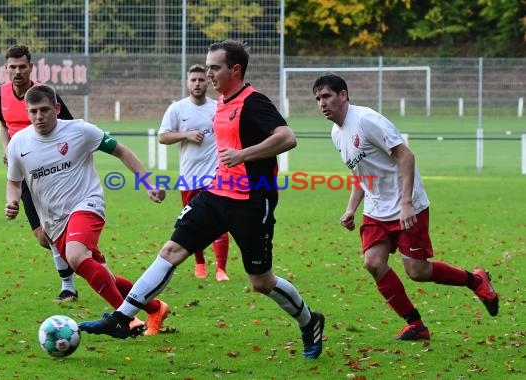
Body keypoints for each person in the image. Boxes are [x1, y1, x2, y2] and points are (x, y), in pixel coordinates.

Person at [79, 40, 325, 360]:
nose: (208, 73)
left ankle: (310, 322)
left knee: (261, 281)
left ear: (235, 70)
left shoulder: (253, 102)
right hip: (215, 194)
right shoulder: (222, 101)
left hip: (251, 201)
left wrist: (242, 155)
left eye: (214, 67)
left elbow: (287, 138)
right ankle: (121, 319)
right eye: (206, 67)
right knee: (171, 250)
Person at [312, 73, 499, 340]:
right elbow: (361, 173)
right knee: (373, 263)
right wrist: (351, 208)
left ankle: (476, 280)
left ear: (343, 95)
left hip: (406, 206)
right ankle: (415, 324)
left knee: (418, 271)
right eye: (318, 98)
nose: (322, 103)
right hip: (376, 210)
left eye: (327, 96)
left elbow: (406, 156)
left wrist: (407, 202)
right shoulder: (336, 133)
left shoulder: (366, 121)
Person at [4, 84, 170, 336]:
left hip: (87, 204)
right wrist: (12, 201)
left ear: (57, 108)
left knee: (75, 256)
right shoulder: (18, 143)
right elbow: (14, 182)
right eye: (33, 111)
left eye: (45, 110)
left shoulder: (79, 130)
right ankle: (156, 308)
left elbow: (121, 151)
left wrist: (148, 182)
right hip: (54, 222)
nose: (39, 117)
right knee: (101, 274)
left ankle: (125, 319)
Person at [0, 44, 79, 303]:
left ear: (31, 67)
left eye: (22, 67)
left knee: (56, 230)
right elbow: (3, 126)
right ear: (6, 69)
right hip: (23, 174)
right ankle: (84, 257)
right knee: (43, 236)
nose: (17, 71)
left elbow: (69, 125)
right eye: (13, 67)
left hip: (50, 171)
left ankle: (69, 287)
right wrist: (8, 151)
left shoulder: (43, 94)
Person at [158, 63, 230, 281]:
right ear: (187, 83)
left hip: (215, 175)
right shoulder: (177, 109)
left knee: (220, 221)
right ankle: (200, 263)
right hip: (190, 178)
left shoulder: (218, 107)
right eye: (194, 80)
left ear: (208, 81)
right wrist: (185, 135)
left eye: (201, 79)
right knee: (193, 222)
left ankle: (221, 269)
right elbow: (163, 137)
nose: (198, 83)